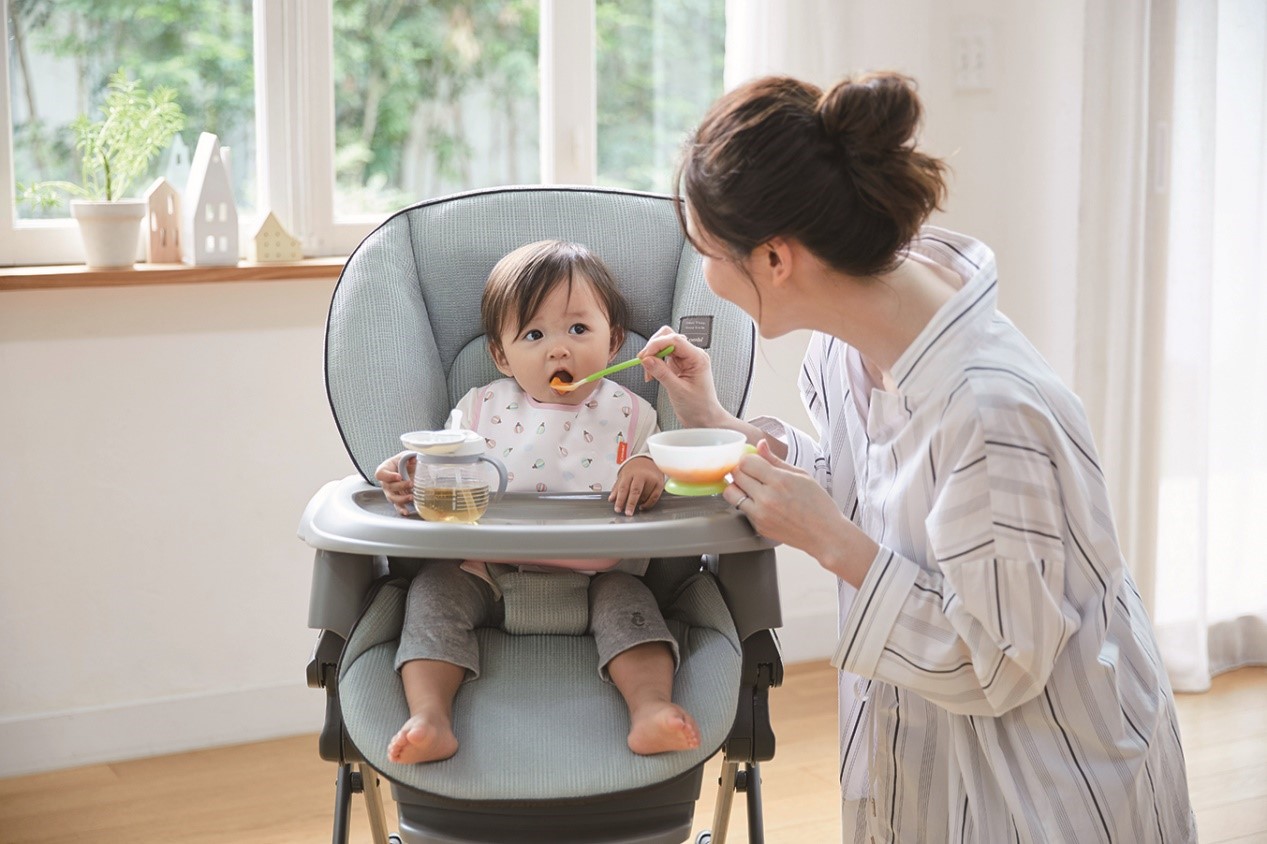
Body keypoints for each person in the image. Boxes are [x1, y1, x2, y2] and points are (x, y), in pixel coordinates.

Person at [638, 73, 1196, 842]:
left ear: (773, 259)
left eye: (705, 250)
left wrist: (829, 541)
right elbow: (866, 492)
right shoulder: (854, 342)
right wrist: (716, 425)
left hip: (1045, 788)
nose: (702, 272)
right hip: (922, 748)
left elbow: (995, 661)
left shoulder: (989, 414)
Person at [375, 239, 700, 765]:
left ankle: (650, 708)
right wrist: (409, 474)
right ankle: (431, 716)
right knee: (434, 594)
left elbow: (663, 466)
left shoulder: (632, 412)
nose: (559, 349)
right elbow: (444, 463)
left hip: (602, 575)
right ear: (501, 355)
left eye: (579, 329)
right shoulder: (481, 408)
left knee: (636, 611)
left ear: (613, 340)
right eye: (534, 334)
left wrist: (648, 468)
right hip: (487, 571)